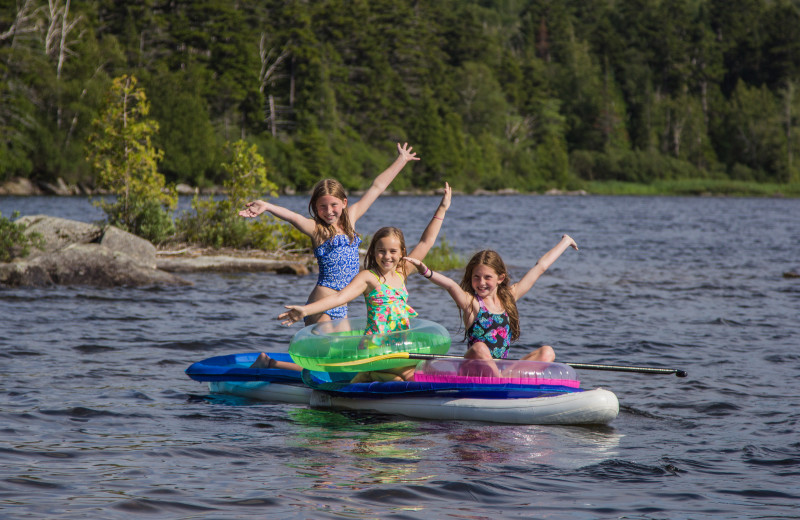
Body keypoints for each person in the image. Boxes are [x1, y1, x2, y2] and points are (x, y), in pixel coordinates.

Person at [274, 184, 452, 380]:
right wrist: (306, 310)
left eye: (393, 252)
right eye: (381, 251)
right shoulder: (368, 277)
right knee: (406, 377)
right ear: (373, 253)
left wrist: (442, 208)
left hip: (396, 346)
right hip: (375, 347)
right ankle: (368, 376)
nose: (387, 257)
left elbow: (426, 242)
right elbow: (341, 296)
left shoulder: (402, 272)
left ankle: (374, 376)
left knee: (423, 371)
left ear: (402, 253)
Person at [239, 142, 419, 326]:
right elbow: (293, 217)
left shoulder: (351, 218)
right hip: (322, 301)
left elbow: (377, 187)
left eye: (334, 205)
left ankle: (266, 358)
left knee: (339, 355)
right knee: (327, 353)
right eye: (322, 206)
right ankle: (266, 358)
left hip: (341, 302)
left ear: (344, 203)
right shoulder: (317, 229)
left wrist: (401, 160)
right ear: (316, 207)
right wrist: (267, 206)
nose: (329, 211)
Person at [405, 235, 578, 365]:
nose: (481, 283)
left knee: (547, 352)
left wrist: (565, 242)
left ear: (500, 278)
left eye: (487, 277)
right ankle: (501, 384)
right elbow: (451, 285)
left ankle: (507, 383)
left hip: (501, 370)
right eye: (476, 277)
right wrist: (425, 271)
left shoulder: (509, 297)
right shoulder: (471, 303)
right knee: (480, 348)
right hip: (473, 369)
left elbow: (540, 268)